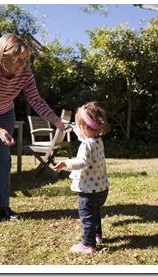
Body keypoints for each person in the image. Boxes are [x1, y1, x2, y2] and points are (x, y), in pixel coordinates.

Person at [0, 33, 68, 228]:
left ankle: (2, 207)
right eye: (18, 59)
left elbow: (35, 100)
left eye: (25, 58)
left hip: (4, 111)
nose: (23, 64)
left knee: (3, 158)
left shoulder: (25, 74)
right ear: (4, 55)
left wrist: (56, 120)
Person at [53, 101, 110, 253]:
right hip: (101, 189)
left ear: (84, 128)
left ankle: (88, 243)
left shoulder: (86, 144)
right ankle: (97, 235)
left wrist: (65, 163)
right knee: (94, 212)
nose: (75, 129)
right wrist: (73, 127)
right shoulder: (97, 141)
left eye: (77, 126)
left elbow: (82, 162)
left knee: (87, 216)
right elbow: (83, 135)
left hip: (88, 190)